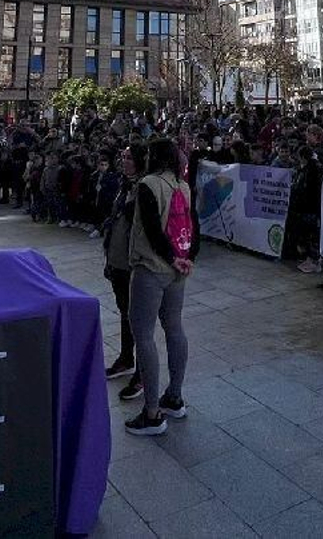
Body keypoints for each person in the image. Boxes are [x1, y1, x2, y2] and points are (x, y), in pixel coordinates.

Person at [125, 138, 196, 437]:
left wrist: (169, 257)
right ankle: (174, 396)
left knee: (143, 336)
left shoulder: (148, 184)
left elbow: (152, 229)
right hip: (178, 268)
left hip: (151, 267)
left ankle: (152, 412)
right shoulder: (183, 186)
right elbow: (194, 226)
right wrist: (186, 259)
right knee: (175, 328)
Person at [103, 145, 147, 401]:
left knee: (139, 320)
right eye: (123, 156)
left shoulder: (145, 187)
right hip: (118, 259)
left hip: (135, 263)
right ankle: (126, 358)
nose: (124, 161)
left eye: (130, 157)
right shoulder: (124, 184)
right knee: (124, 312)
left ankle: (142, 374)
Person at [285, 146, 323, 274]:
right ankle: (311, 258)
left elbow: (303, 189)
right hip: (311, 207)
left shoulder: (309, 171)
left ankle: (314, 260)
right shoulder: (314, 169)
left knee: (310, 234)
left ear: (302, 157)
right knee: (310, 235)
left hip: (309, 207)